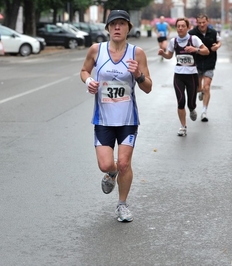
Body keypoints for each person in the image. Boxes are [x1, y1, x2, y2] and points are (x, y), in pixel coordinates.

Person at [80, 10, 152, 222]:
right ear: (108, 28)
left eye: (122, 24)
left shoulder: (136, 53)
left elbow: (148, 87)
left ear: (128, 27)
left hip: (128, 119)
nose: (117, 28)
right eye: (113, 24)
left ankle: (122, 205)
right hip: (103, 119)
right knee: (106, 164)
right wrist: (88, 82)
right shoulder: (96, 50)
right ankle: (111, 174)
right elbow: (84, 71)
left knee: (124, 164)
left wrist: (138, 75)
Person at [158, 18, 209, 136]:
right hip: (179, 75)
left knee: (191, 102)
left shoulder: (194, 39)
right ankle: (183, 127)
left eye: (183, 26)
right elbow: (169, 56)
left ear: (187, 28)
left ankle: (192, 108)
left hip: (192, 75)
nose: (180, 28)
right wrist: (163, 54)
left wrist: (195, 49)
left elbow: (206, 51)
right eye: (178, 26)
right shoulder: (173, 41)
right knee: (180, 102)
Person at [189, 14, 221, 122]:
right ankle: (201, 91)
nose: (202, 25)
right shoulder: (192, 34)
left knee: (207, 87)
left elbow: (219, 41)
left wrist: (217, 46)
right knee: (198, 88)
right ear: (196, 23)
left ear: (207, 22)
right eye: (199, 23)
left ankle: (204, 112)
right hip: (196, 63)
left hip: (209, 62)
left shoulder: (213, 32)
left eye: (204, 22)